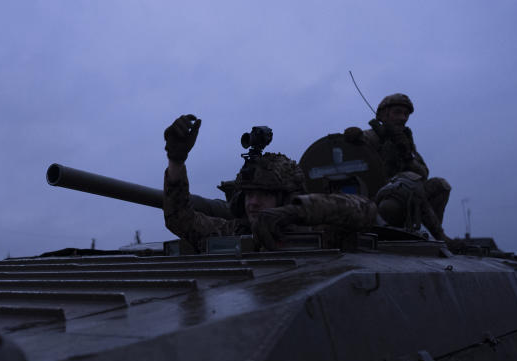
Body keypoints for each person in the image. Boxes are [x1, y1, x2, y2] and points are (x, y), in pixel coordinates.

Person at [162, 114, 377, 251]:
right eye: (248, 194)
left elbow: (366, 209)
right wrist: (176, 161)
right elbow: (180, 218)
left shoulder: (320, 232)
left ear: (286, 197)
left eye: (264, 194)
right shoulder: (234, 233)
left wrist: (297, 212)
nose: (252, 202)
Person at [344, 93, 451, 230]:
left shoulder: (405, 142)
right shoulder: (370, 137)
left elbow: (424, 173)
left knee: (440, 185)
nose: (403, 118)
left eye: (406, 114)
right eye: (397, 112)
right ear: (383, 115)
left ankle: (433, 235)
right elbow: (350, 155)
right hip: (377, 199)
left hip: (403, 194)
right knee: (390, 207)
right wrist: (352, 136)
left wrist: (407, 157)